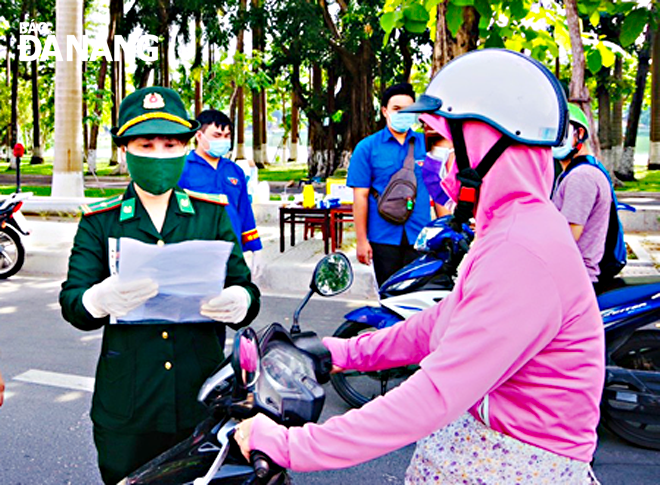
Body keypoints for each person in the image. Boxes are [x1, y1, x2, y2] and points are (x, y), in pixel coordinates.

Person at [234, 49, 604, 484]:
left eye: (444, 142)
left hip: (516, 466)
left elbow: (435, 394)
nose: (437, 159)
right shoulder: (511, 229)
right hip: (486, 449)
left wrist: (289, 445)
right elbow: (438, 325)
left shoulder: (522, 249)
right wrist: (342, 353)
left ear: (489, 144)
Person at [59, 87, 260, 484]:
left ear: (186, 147)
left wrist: (239, 300)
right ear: (125, 150)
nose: (157, 154)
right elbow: (73, 302)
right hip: (129, 405)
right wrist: (98, 298)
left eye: (169, 144)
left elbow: (246, 289)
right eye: (145, 143)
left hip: (199, 398)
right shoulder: (100, 221)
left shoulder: (211, 214)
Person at [347, 82, 439, 286]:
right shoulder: (367, 148)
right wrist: (361, 241)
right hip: (383, 238)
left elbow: (437, 188)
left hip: (420, 236)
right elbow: (360, 197)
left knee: (419, 299)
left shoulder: (427, 144)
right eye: (397, 109)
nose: (403, 114)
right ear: (385, 111)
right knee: (389, 297)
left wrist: (445, 230)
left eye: (409, 109)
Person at [178, 109, 264, 279]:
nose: (223, 141)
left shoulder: (235, 171)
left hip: (232, 251)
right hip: (196, 254)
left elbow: (244, 212)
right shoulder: (183, 169)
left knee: (234, 299)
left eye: (227, 136)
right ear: (199, 136)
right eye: (217, 136)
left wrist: (256, 249)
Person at [551, 103, 612, 287]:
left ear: (580, 134)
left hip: (573, 280)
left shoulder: (582, 177)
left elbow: (567, 237)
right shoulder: (574, 173)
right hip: (568, 275)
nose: (554, 139)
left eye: (562, 132)